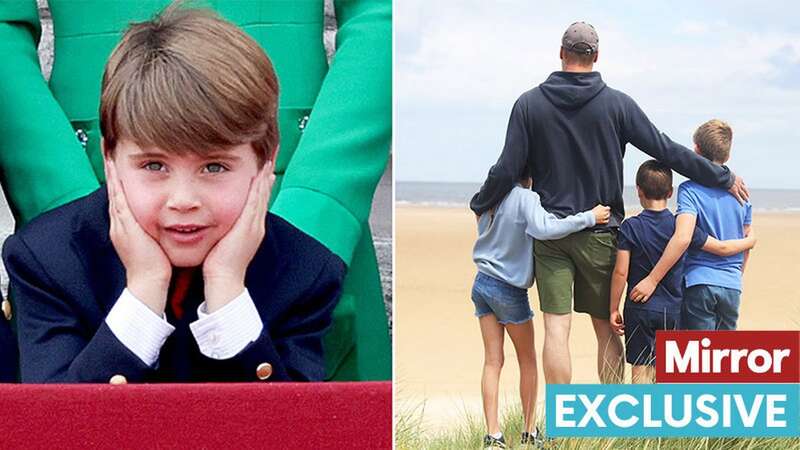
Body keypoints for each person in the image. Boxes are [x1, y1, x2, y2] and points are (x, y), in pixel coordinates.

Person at [0, 0, 390, 381]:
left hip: (282, 181)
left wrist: (319, 208)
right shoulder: (50, 260)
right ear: (110, 156)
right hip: (98, 172)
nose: (183, 200)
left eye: (211, 166)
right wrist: (62, 209)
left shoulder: (305, 269)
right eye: (156, 165)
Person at [469, 21, 749, 385]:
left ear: (560, 53)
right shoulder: (617, 104)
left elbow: (507, 167)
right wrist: (721, 176)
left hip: (551, 235)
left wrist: (481, 202)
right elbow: (665, 150)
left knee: (557, 328)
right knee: (606, 329)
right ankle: (613, 426)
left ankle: (560, 427)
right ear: (596, 57)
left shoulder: (529, 104)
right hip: (601, 233)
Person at [472, 172, 610, 448]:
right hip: (509, 289)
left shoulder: (489, 196)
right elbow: (545, 228)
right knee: (528, 361)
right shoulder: (525, 198)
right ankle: (529, 431)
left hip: (481, 283)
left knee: (492, 361)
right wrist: (589, 217)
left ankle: (493, 435)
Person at [609, 160, 756, 383]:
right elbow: (719, 247)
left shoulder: (630, 226)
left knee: (640, 368)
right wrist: (749, 241)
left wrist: (613, 308)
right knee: (667, 370)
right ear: (670, 192)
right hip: (673, 310)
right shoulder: (681, 227)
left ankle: (642, 414)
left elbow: (620, 272)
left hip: (638, 307)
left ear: (638, 190)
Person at [628, 120, 753, 331]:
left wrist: (652, 279)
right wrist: (734, 277)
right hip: (732, 284)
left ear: (695, 150)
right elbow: (746, 243)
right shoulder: (741, 194)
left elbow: (683, 237)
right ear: (727, 155)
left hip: (698, 282)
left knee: (697, 355)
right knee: (723, 356)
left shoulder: (689, 190)